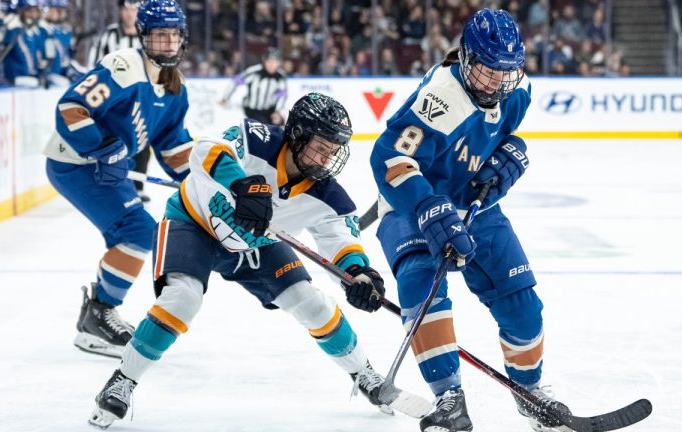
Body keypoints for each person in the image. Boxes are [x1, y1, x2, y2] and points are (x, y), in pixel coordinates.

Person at [87, 93, 431, 429]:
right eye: (320, 147)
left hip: (257, 245)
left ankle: (364, 374)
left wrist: (359, 275)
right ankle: (123, 380)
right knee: (182, 298)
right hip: (193, 222)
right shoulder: (256, 139)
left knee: (312, 304)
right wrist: (241, 185)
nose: (326, 159)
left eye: (333, 151)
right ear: (297, 135)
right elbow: (207, 150)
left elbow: (341, 241)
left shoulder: (329, 196)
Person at [369, 9, 572, 432]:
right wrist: (426, 205)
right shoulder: (441, 98)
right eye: (487, 71)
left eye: (505, 72)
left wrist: (508, 157)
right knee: (423, 287)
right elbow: (389, 158)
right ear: (465, 59)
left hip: (474, 208)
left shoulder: (516, 87)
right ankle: (448, 399)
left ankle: (530, 394)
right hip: (415, 205)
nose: (497, 83)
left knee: (523, 307)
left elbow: (502, 135)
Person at [43, 0, 193, 359]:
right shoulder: (123, 67)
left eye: (174, 36)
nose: (168, 44)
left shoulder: (175, 88)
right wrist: (102, 146)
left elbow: (173, 148)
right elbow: (70, 108)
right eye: (159, 37)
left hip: (104, 167)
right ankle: (98, 314)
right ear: (143, 37)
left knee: (134, 233)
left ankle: (94, 318)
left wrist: (203, 179)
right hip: (74, 162)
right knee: (138, 231)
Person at [88, 0, 152, 201]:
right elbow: (95, 65)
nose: (130, 13)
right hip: (113, 101)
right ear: (121, 11)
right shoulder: (109, 35)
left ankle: (138, 187)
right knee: (113, 144)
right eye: (126, 8)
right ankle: (112, 184)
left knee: (141, 144)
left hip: (142, 99)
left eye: (134, 8)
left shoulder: (149, 36)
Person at [218, 46, 287, 126]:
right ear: (264, 61)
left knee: (281, 126)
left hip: (269, 111)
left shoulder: (280, 76)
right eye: (269, 61)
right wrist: (225, 98)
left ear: (279, 63)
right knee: (263, 129)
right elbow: (235, 81)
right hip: (252, 111)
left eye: (275, 61)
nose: (271, 64)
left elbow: (282, 95)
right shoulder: (255, 72)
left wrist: (277, 111)